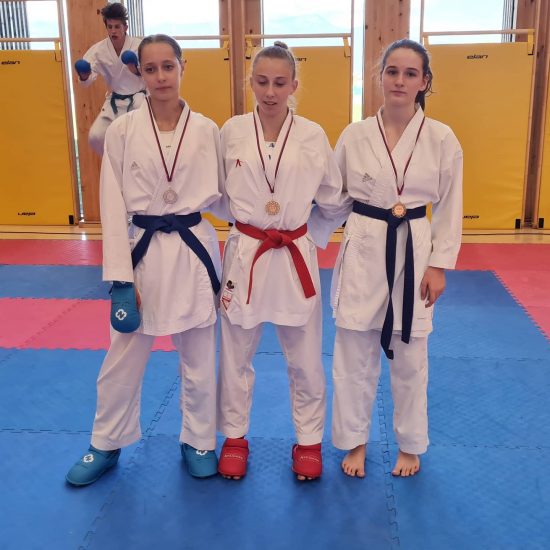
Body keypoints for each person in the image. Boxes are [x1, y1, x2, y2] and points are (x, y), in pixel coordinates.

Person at [66, 34, 224, 486]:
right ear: (140, 74)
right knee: (122, 355)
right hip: (142, 251)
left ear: (182, 67)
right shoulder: (121, 131)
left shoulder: (207, 130)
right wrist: (119, 277)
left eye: (167, 67)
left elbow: (228, 197)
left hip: (193, 249)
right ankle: (106, 442)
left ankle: (198, 439)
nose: (159, 77)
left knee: (198, 356)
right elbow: (112, 203)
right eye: (150, 69)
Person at [216, 41, 349, 481]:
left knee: (306, 359)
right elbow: (217, 192)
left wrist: (307, 234)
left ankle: (308, 442)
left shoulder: (312, 135)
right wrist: (245, 224)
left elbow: (334, 199)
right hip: (247, 255)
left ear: (294, 85)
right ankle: (235, 438)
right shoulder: (232, 131)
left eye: (279, 83)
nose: (270, 92)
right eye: (261, 82)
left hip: (294, 255)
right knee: (235, 354)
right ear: (250, 83)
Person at [331, 39, 463, 478]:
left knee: (411, 357)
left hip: (415, 247)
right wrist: (299, 233)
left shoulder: (441, 137)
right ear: (380, 77)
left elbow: (450, 205)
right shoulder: (354, 135)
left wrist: (439, 264)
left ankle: (410, 445)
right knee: (353, 353)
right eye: (392, 72)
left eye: (410, 74)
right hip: (364, 243)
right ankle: (355, 441)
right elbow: (333, 195)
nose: (400, 81)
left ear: (424, 81)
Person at [73, 2, 145, 155]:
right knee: (96, 136)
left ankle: (136, 161)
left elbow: (151, 72)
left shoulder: (139, 46)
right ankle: (115, 162)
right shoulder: (98, 50)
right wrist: (84, 75)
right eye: (110, 27)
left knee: (138, 136)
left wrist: (136, 69)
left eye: (117, 26)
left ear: (125, 27)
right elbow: (86, 81)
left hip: (139, 99)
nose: (113, 31)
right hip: (115, 99)